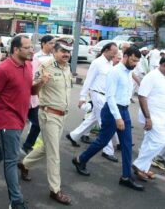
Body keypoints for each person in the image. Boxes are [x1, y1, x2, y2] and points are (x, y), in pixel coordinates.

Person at [0, 35, 47, 209]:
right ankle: (16, 200)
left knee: (4, 150)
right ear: (16, 49)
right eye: (27, 47)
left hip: (21, 117)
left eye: (31, 47)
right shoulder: (3, 70)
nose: (31, 50)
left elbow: (31, 91)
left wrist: (41, 83)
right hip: (8, 120)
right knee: (12, 159)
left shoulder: (28, 65)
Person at [72, 46, 144, 191]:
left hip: (124, 110)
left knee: (127, 144)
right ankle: (81, 160)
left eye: (137, 61)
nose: (135, 64)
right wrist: (118, 118)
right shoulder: (115, 72)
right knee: (102, 141)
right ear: (125, 56)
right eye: (133, 60)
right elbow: (110, 97)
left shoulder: (129, 71)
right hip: (112, 112)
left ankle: (126, 177)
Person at [19, 39, 74, 205]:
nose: (66, 54)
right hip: (49, 115)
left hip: (62, 115)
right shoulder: (45, 66)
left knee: (47, 146)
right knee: (54, 153)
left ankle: (25, 164)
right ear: (54, 51)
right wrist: (41, 81)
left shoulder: (67, 67)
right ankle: (55, 190)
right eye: (62, 51)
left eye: (68, 51)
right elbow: (32, 89)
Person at [66, 42, 119, 162]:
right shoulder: (97, 63)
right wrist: (82, 97)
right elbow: (88, 80)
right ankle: (108, 150)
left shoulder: (110, 63)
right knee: (105, 123)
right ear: (105, 50)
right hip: (97, 95)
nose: (115, 54)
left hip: (106, 96)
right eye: (113, 52)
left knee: (94, 118)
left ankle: (74, 135)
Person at [132, 57, 165, 181]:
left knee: (149, 142)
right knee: (160, 142)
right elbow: (142, 96)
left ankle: (143, 169)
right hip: (152, 116)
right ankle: (139, 165)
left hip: (162, 116)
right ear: (162, 64)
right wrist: (148, 118)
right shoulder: (152, 76)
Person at [21, 35, 55, 155]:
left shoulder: (53, 57)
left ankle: (27, 145)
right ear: (43, 44)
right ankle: (10, 145)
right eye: (50, 43)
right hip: (31, 94)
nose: (53, 46)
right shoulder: (36, 58)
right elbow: (33, 77)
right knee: (20, 124)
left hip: (40, 94)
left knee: (38, 123)